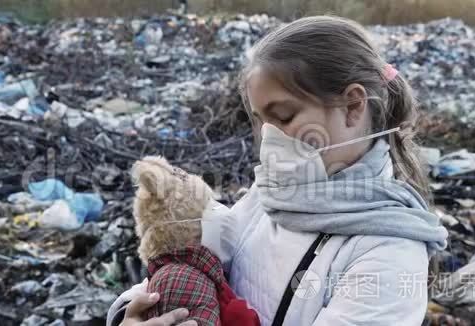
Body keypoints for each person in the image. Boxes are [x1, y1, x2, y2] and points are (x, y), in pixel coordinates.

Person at [108, 15, 448, 326]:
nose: (270, 138)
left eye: (284, 117)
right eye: (261, 121)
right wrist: (133, 312)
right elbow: (191, 261)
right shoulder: (272, 192)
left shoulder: (388, 252)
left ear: (353, 106)